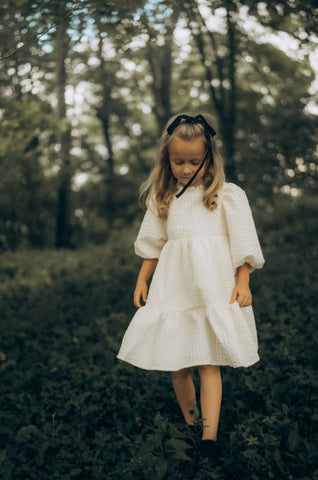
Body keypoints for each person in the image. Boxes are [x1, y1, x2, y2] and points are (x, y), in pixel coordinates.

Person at [117, 113, 265, 470]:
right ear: (166, 159)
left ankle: (209, 439)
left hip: (212, 286)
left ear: (210, 158)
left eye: (194, 162)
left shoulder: (227, 196)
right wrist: (142, 278)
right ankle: (191, 424)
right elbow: (153, 243)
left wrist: (243, 280)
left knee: (207, 362)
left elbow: (243, 244)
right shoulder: (163, 196)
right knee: (176, 362)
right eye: (177, 161)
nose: (185, 169)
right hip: (175, 287)